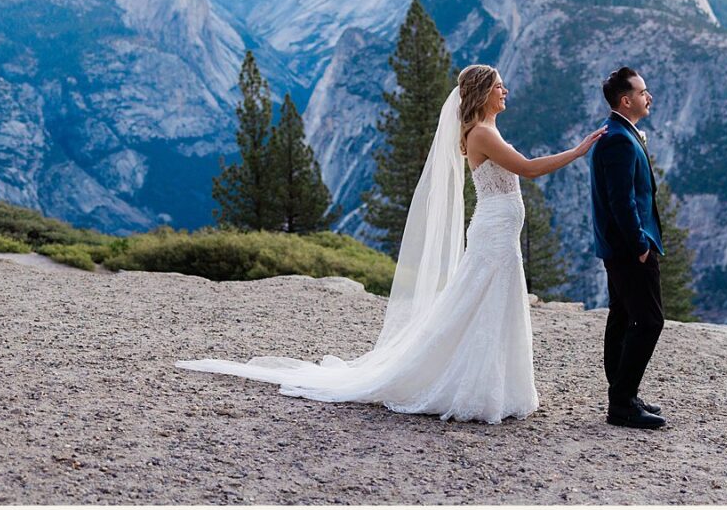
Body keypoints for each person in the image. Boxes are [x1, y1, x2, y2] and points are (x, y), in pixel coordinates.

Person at [177, 65, 603, 422]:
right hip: (494, 229)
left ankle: (495, 385)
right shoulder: (482, 133)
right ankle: (471, 386)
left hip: (499, 227)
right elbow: (527, 169)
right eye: (498, 86)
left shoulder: (486, 127)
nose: (505, 91)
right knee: (481, 301)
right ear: (481, 92)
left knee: (489, 302)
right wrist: (578, 150)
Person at [588, 66, 667, 430]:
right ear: (626, 99)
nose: (648, 96)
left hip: (618, 247)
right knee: (649, 320)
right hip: (628, 248)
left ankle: (624, 394)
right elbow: (621, 201)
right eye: (642, 92)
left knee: (622, 317)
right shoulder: (618, 139)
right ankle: (621, 403)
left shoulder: (619, 133)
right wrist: (639, 244)